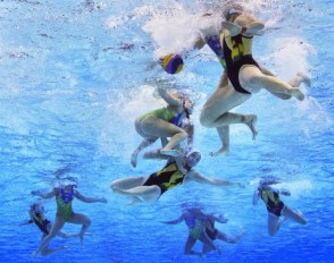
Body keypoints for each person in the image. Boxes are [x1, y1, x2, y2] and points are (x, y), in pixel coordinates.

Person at [195, 6, 310, 156]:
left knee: (272, 88)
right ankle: (297, 79)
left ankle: (295, 83)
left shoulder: (238, 19)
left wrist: (243, 30)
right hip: (231, 70)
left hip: (244, 65)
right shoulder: (217, 29)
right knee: (207, 117)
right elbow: (200, 44)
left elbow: (258, 26)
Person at [111, 151, 242, 203]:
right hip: (146, 179)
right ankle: (134, 198)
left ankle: (127, 194)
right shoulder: (175, 158)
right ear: (187, 155)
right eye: (193, 155)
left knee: (155, 188)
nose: (194, 159)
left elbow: (213, 181)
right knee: (114, 184)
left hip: (156, 193)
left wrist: (234, 184)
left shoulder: (192, 174)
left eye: (197, 159)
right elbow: (165, 147)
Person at [31, 182, 107, 256]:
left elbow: (86, 199)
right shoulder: (57, 190)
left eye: (71, 186)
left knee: (88, 221)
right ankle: (37, 251)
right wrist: (38, 193)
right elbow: (46, 196)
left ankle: (81, 234)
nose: (69, 187)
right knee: (52, 235)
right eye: (68, 186)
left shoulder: (74, 191)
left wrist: (99, 199)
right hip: (60, 217)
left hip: (71, 215)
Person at [130, 86, 194, 167]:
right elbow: (166, 96)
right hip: (148, 122)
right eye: (190, 101)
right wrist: (160, 86)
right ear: (185, 100)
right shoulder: (179, 103)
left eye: (192, 103)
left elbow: (164, 138)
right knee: (183, 134)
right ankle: (166, 149)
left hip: (142, 127)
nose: (191, 104)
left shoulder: (180, 120)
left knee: (153, 138)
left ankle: (136, 153)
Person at [162, 206, 241, 257]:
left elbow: (210, 215)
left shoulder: (198, 213)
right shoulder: (184, 214)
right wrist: (166, 222)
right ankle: (199, 254)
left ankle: (219, 250)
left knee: (215, 248)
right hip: (192, 234)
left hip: (201, 234)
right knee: (186, 252)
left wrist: (221, 220)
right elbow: (176, 221)